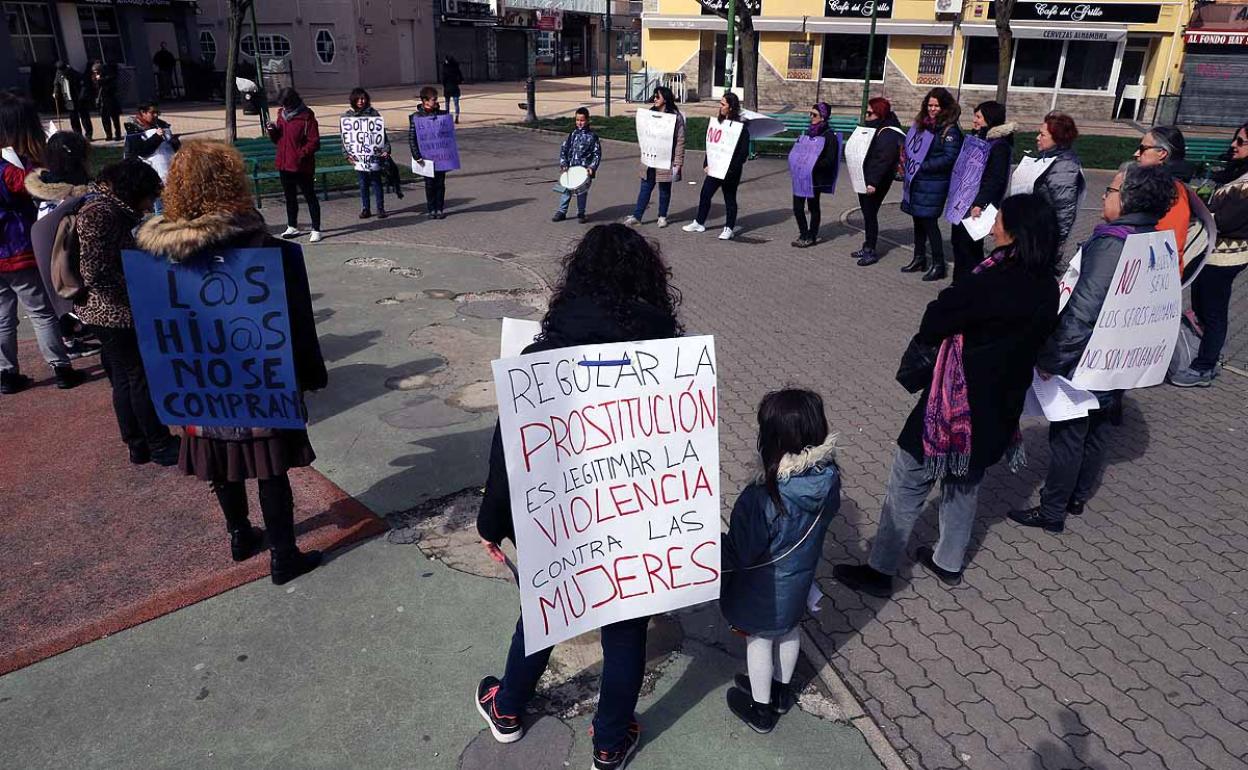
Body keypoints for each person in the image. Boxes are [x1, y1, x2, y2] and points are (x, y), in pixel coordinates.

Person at [475, 224, 682, 770]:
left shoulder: (547, 344)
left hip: (557, 517)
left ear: (579, 275)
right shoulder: (666, 347)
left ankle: (509, 707)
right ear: (648, 277)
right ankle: (610, 741)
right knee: (626, 628)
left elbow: (509, 451)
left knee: (547, 610)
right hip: (633, 516)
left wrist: (491, 520)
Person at [834, 193, 1061, 595]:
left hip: (955, 406)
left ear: (1016, 231)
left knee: (908, 475)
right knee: (965, 480)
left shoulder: (989, 280)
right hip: (1000, 406)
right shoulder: (1046, 286)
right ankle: (948, 561)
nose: (992, 225)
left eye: (999, 219)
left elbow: (936, 319)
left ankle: (881, 568)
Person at [134, 141, 327, 582]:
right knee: (271, 467)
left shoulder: (156, 256)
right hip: (263, 381)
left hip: (199, 380)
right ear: (233, 184)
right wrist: (311, 375)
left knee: (219, 458)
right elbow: (299, 324)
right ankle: (282, 554)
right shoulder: (271, 250)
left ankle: (239, 535)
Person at [1009, 165, 1175, 532]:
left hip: (1089, 356)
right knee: (1098, 426)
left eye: (1111, 189)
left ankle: (1053, 511)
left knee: (1069, 432)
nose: (1103, 194)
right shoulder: (1152, 236)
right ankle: (1079, 495)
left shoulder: (1112, 243)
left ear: (1129, 197)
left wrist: (1052, 359)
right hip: (1119, 357)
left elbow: (1083, 309)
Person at [720, 389, 840, 733]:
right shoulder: (828, 478)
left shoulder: (763, 496)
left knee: (758, 641)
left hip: (764, 588)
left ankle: (761, 710)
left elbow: (742, 551)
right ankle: (782, 691)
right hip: (799, 580)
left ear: (771, 438)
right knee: (789, 630)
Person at [75, 159, 178, 462]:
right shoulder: (101, 213)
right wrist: (138, 285)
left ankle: (138, 443)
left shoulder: (104, 207)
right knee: (138, 376)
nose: (149, 206)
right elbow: (94, 271)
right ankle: (157, 442)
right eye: (148, 197)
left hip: (104, 311)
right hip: (113, 312)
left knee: (123, 376)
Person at [0, 95, 85, 394]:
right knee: (40, 311)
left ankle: (6, 372)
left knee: (2, 315)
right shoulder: (12, 167)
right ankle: (60, 366)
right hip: (16, 245)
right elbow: (33, 186)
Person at [1171, 122, 1248, 387]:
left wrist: (1200, 213)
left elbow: (1228, 219)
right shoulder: (1234, 173)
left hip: (1226, 257)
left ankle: (1204, 366)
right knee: (1201, 308)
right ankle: (1201, 355)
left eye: (1241, 142)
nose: (1233, 146)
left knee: (1214, 312)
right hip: (1209, 251)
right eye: (1235, 140)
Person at [25, 130, 99, 360]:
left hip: (46, 253)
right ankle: (69, 337)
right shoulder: (78, 196)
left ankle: (68, 335)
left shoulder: (42, 187)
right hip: (72, 256)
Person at [900, 87, 964, 281]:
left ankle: (939, 264)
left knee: (929, 223)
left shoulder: (949, 129)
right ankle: (919, 258)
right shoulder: (924, 124)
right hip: (918, 181)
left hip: (934, 184)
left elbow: (949, 157)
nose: (932, 109)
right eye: (929, 105)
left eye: (936, 105)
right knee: (917, 221)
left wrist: (922, 165)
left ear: (944, 106)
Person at [950, 101, 1015, 282]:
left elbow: (995, 179)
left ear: (990, 119)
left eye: (979, 117)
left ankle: (969, 284)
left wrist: (980, 202)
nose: (975, 120)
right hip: (964, 200)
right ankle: (959, 282)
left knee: (969, 246)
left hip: (977, 203)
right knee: (959, 242)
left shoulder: (999, 146)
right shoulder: (980, 139)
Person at [1133, 126, 1201, 276]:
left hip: (1155, 276)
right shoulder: (1157, 185)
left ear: (1162, 153)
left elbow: (1170, 241)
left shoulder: (1171, 190)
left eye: (1143, 148)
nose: (1136, 154)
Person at [683, 92, 751, 241]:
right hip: (715, 168)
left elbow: (743, 152)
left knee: (729, 198)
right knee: (705, 194)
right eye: (720, 104)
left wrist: (732, 167)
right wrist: (706, 163)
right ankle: (699, 222)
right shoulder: (718, 123)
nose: (720, 107)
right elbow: (712, 145)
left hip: (730, 170)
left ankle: (729, 228)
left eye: (723, 104)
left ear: (731, 107)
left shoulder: (741, 128)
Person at [854, 97, 905, 267]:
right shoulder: (879, 128)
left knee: (870, 214)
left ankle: (870, 251)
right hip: (868, 177)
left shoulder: (888, 133)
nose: (866, 117)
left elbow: (883, 160)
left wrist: (872, 183)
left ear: (879, 113)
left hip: (876, 181)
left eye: (869, 113)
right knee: (868, 214)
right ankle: (867, 245)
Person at [266, 87, 323, 243]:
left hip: (302, 166)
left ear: (293, 102)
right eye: (282, 105)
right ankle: (292, 225)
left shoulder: (306, 117)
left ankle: (316, 229)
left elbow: (314, 142)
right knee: (289, 197)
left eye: (286, 104)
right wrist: (272, 131)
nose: (284, 108)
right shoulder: (281, 115)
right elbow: (279, 139)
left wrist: (300, 154)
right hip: (284, 164)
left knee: (309, 196)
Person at [624, 86, 685, 228]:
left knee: (664, 189)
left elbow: (680, 140)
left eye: (658, 97)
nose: (655, 99)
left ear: (666, 98)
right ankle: (637, 216)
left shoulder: (676, 117)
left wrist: (678, 162)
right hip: (650, 159)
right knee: (645, 187)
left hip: (665, 159)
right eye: (654, 97)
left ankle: (662, 216)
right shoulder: (650, 113)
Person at [1032, 111, 1085, 254]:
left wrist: (1055, 243)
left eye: (1042, 135)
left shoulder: (1064, 166)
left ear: (1057, 138)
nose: (1037, 138)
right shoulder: (1049, 158)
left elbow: (1065, 210)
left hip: (1045, 239)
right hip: (1036, 232)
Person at [790, 102, 841, 248]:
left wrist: (812, 164)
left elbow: (830, 160)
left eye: (814, 115)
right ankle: (803, 233)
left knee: (813, 207)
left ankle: (811, 236)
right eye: (810, 114)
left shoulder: (829, 136)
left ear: (823, 117)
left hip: (815, 178)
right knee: (797, 207)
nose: (810, 117)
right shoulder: (810, 132)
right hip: (802, 176)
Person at [344, 88, 389, 219]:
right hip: (359, 157)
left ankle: (380, 208)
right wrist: (347, 155)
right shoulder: (348, 117)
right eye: (358, 99)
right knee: (363, 183)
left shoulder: (374, 114)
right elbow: (345, 138)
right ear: (353, 100)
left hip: (373, 156)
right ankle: (365, 208)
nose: (361, 101)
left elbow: (382, 135)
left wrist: (386, 149)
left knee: (376, 182)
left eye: (363, 98)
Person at [552, 106, 601, 223]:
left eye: (582, 120)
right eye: (577, 120)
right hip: (570, 169)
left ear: (588, 120)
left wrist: (592, 167)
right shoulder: (572, 134)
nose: (579, 123)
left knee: (581, 193)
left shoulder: (592, 136)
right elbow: (564, 149)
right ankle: (561, 211)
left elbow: (597, 154)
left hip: (583, 171)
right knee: (565, 190)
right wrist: (563, 163)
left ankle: (581, 213)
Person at [123, 102, 180, 200]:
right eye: (152, 112)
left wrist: (174, 141)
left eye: (157, 112)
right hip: (149, 172)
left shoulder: (161, 124)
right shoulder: (133, 128)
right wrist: (156, 137)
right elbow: (142, 151)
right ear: (143, 112)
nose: (156, 115)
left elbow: (172, 147)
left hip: (168, 168)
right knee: (158, 197)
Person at [408, 86, 449, 220]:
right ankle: (431, 208)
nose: (436, 101)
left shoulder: (442, 114)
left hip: (440, 156)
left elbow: (447, 135)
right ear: (425, 100)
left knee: (440, 183)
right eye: (433, 99)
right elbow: (412, 137)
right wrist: (417, 155)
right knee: (429, 183)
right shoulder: (416, 117)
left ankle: (440, 208)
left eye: (436, 99)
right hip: (425, 157)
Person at [52, 62, 93, 141]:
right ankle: (78, 135)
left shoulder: (74, 73)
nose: (62, 73)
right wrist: (56, 92)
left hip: (78, 98)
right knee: (74, 119)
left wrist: (82, 96)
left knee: (84, 117)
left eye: (63, 71)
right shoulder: (59, 73)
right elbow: (56, 83)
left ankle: (89, 135)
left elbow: (84, 85)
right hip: (69, 99)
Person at [93, 62, 122, 142]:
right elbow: (95, 88)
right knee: (105, 120)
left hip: (111, 101)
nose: (96, 73)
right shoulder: (95, 78)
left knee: (115, 119)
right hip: (102, 102)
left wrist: (100, 80)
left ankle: (118, 134)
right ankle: (108, 134)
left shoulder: (109, 77)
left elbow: (111, 87)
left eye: (97, 71)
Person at [442, 56, 464, 124]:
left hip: (447, 88)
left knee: (447, 103)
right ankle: (456, 117)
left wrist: (444, 85)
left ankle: (447, 117)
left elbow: (443, 79)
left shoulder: (445, 68)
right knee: (456, 103)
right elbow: (461, 78)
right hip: (455, 87)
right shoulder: (456, 68)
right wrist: (458, 82)